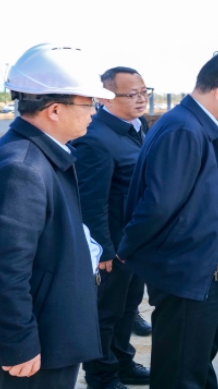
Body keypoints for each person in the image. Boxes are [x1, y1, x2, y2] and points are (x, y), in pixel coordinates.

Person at [0, 44, 112, 389]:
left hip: (50, 329)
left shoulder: (37, 154)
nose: (94, 112)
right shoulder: (21, 168)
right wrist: (18, 343)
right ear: (54, 109)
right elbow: (2, 269)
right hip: (37, 343)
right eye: (89, 103)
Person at [117, 52, 218, 389]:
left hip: (201, 260)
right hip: (187, 264)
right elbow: (159, 203)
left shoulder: (196, 124)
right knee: (181, 366)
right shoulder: (185, 129)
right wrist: (127, 246)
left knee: (196, 355)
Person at [72, 66, 152, 389]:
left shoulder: (138, 128)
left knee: (127, 309)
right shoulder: (95, 138)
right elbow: (91, 202)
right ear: (105, 98)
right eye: (131, 94)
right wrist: (103, 248)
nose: (141, 99)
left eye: (144, 92)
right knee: (105, 313)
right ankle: (101, 375)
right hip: (112, 246)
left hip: (134, 243)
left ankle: (122, 362)